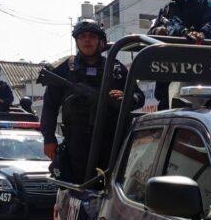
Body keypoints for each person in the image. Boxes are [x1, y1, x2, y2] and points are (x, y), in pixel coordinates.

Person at [40, 20, 144, 183]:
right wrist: (48, 138)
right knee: (72, 188)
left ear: (100, 40)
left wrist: (128, 98)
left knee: (109, 186)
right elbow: (49, 107)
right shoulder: (64, 68)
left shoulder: (116, 68)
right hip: (76, 143)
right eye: (82, 37)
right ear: (76, 40)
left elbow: (139, 97)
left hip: (110, 141)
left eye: (92, 36)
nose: (87, 40)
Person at [150, 0, 211, 109]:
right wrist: (159, 31)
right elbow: (151, 34)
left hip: (200, 81)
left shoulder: (205, 0)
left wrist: (200, 35)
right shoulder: (168, 10)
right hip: (169, 84)